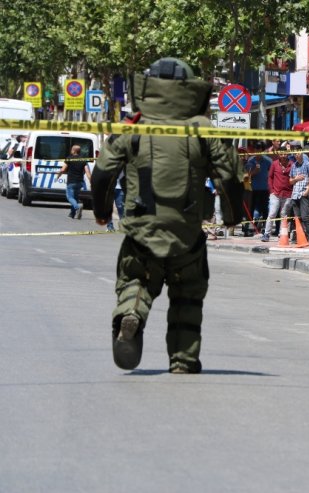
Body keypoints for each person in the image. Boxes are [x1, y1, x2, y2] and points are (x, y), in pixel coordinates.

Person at [91, 58, 242, 374]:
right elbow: (227, 177)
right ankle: (183, 359)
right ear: (190, 90)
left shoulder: (133, 126)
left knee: (135, 281)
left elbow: (103, 173)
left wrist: (102, 212)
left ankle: (132, 314)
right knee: (187, 296)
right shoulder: (202, 130)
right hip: (187, 233)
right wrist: (231, 216)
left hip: (141, 230)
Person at [261, 153, 294, 242]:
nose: (283, 156)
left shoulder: (292, 164)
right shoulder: (274, 164)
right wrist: (271, 190)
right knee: (272, 214)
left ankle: (282, 234)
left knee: (284, 215)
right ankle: (267, 234)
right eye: (281, 154)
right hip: (275, 193)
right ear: (279, 155)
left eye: (285, 154)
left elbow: (294, 178)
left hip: (287, 194)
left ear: (287, 154)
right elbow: (270, 177)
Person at [55, 144, 91, 219]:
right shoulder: (83, 160)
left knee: (70, 197)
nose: (71, 150)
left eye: (71, 149)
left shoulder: (69, 158)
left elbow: (63, 169)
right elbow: (87, 172)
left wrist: (58, 176)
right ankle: (72, 213)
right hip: (80, 182)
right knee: (75, 198)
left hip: (71, 182)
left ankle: (77, 207)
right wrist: (91, 182)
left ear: (74, 151)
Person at [289, 151, 309, 245]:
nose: (296, 155)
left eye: (298, 153)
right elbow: (290, 181)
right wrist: (296, 179)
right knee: (297, 218)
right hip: (295, 194)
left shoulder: (307, 164)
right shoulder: (293, 166)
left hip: (303, 194)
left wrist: (307, 191)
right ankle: (300, 238)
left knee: (305, 217)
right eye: (295, 154)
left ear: (302, 154)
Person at [245, 140, 272, 232]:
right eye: (256, 149)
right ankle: (248, 227)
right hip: (253, 189)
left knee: (265, 209)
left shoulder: (268, 161)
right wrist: (254, 172)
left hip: (264, 189)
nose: (257, 152)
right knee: (251, 208)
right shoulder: (250, 160)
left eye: (259, 150)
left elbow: (272, 173)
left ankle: (265, 227)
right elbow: (247, 175)